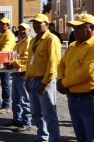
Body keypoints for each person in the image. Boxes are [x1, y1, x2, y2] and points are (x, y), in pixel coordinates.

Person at [57, 13, 94, 142]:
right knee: (80, 136)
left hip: (89, 100)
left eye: (80, 27)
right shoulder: (73, 46)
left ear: (92, 28)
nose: (75, 31)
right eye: (74, 27)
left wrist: (64, 83)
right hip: (73, 98)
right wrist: (60, 80)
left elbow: (87, 72)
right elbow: (61, 64)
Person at [25, 14, 61, 142]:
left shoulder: (52, 39)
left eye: (38, 23)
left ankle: (54, 139)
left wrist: (45, 82)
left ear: (46, 24)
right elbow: (30, 61)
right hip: (33, 81)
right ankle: (42, 138)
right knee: (36, 114)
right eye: (34, 23)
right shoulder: (34, 40)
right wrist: (26, 79)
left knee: (49, 114)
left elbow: (53, 63)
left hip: (44, 82)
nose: (35, 25)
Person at [4, 23, 32, 132]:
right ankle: (17, 119)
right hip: (16, 73)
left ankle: (27, 122)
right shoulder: (19, 42)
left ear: (29, 30)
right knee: (15, 99)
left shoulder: (29, 41)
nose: (22, 31)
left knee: (25, 99)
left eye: (24, 29)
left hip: (23, 73)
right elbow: (12, 54)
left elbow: (25, 57)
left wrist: (13, 62)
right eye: (20, 29)